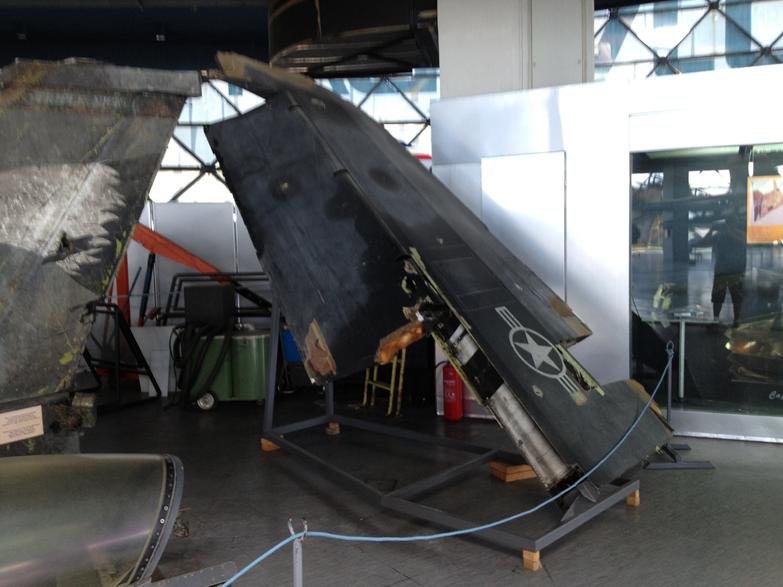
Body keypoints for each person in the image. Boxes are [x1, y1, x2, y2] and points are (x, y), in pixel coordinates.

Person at [696, 213, 747, 324]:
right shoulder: (720, 235)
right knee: (719, 297)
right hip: (725, 271)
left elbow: (742, 242)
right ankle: (717, 319)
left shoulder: (740, 234)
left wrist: (724, 231)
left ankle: (735, 320)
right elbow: (704, 242)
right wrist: (711, 230)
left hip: (734, 271)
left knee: (736, 297)